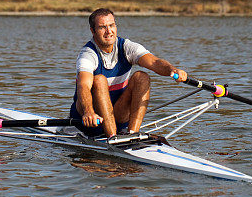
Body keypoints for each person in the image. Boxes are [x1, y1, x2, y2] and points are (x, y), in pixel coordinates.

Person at [70, 8, 188, 139]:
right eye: (102, 27)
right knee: (99, 80)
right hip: (90, 119)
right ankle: (112, 137)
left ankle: (132, 134)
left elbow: (154, 62)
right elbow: (83, 86)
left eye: (111, 25)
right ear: (93, 31)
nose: (109, 31)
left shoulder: (127, 47)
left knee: (141, 77)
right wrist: (88, 112)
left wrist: (172, 70)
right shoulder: (88, 54)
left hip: (118, 114)